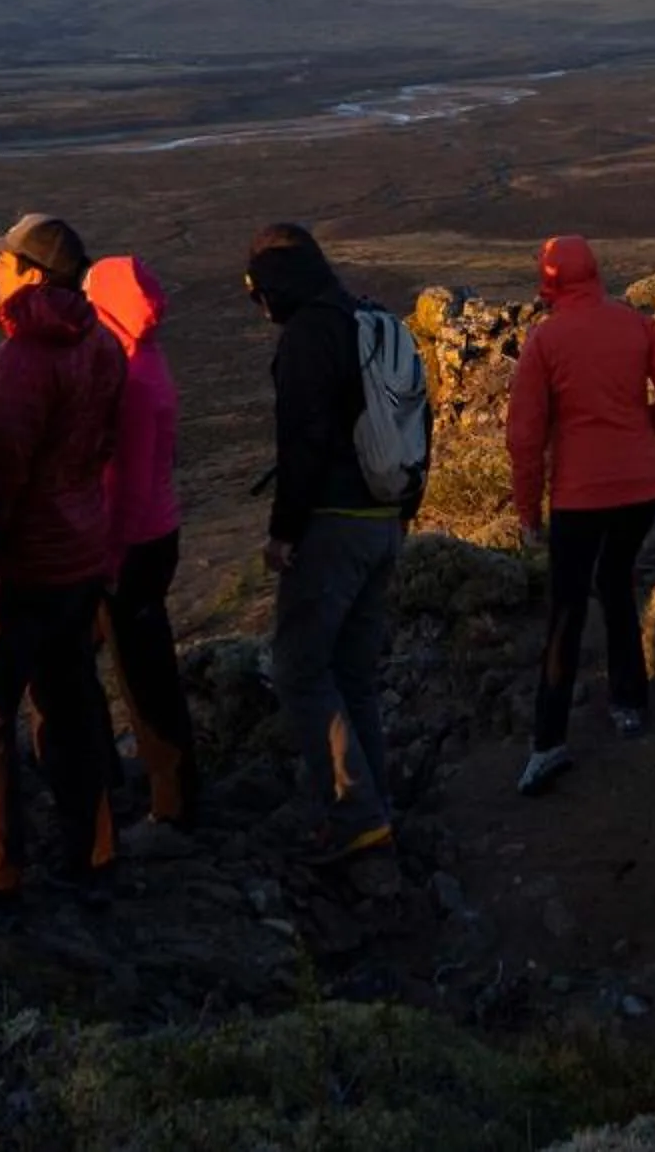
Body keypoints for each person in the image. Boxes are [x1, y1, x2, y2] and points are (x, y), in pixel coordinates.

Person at [0, 214, 128, 902]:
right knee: (71, 703)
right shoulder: (102, 344)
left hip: (20, 569)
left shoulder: (18, 363)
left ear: (32, 273)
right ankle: (96, 852)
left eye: (2, 262)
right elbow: (101, 445)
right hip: (79, 556)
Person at [245, 222, 418, 862]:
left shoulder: (309, 336)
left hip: (334, 523)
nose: (259, 305)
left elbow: (304, 443)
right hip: (383, 518)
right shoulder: (367, 318)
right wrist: (405, 512)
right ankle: (377, 807)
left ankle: (355, 816)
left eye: (258, 291)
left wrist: (283, 533)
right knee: (354, 674)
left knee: (299, 669)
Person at [506, 236, 655, 796]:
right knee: (616, 583)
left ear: (549, 280)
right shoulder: (636, 325)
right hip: (641, 488)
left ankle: (548, 743)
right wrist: (640, 428)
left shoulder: (545, 341)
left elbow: (524, 439)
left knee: (566, 610)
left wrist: (528, 513)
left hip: (579, 496)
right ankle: (630, 704)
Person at [86, 252, 201, 830]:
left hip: (131, 547)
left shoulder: (129, 375)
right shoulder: (148, 357)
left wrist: (107, 560)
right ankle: (135, 787)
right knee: (136, 665)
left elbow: (125, 485)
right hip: (156, 535)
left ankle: (170, 804)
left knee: (142, 679)